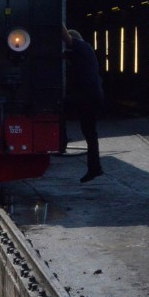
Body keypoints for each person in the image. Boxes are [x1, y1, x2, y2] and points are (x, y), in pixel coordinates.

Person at [62, 24, 104, 183]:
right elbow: (66, 55)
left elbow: (66, 37)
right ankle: (95, 168)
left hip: (86, 95)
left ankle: (62, 141)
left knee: (59, 106)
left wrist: (57, 17)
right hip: (95, 95)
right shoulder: (87, 51)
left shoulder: (79, 46)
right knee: (90, 134)